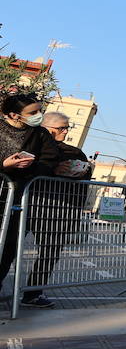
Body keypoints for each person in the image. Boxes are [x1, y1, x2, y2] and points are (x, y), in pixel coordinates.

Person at [18, 112, 93, 308]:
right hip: (25, 205)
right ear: (47, 127)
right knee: (8, 249)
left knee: (49, 253)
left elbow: (84, 174)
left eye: (67, 127)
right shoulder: (30, 146)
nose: (66, 131)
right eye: (62, 127)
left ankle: (33, 294)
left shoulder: (74, 152)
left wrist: (83, 170)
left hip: (58, 210)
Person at [0, 93, 64, 297]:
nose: (39, 115)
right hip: (3, 190)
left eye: (39, 110)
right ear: (14, 114)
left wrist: (30, 167)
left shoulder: (40, 134)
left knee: (8, 246)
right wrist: (4, 165)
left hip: (17, 198)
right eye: (33, 112)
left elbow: (50, 159)